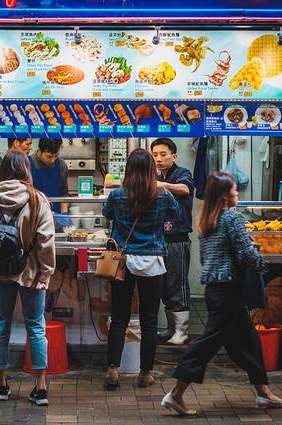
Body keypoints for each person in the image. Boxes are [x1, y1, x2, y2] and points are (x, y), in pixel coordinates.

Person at [161, 172, 282, 416]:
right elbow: (245, 254)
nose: (237, 193)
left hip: (216, 289)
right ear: (224, 195)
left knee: (249, 342)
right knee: (206, 344)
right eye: (234, 189)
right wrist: (263, 264)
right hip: (229, 290)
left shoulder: (207, 220)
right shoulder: (232, 218)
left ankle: (264, 394)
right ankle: (175, 394)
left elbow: (206, 257)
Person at [102, 149, 181, 390]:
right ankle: (145, 373)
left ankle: (113, 369)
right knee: (148, 320)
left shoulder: (116, 194)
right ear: (150, 170)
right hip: (152, 261)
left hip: (123, 261)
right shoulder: (162, 194)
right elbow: (176, 213)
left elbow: (106, 215)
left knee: (119, 318)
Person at [0, 150, 56, 406]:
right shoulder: (37, 199)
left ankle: (1, 385)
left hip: (0, 269)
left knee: (0, 327)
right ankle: (41, 388)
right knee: (35, 327)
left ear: (4, 170)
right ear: (26, 169)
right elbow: (46, 241)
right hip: (31, 271)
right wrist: (46, 272)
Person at [151, 138, 195, 345]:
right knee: (163, 287)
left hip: (177, 238)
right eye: (155, 155)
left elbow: (185, 190)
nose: (158, 159)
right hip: (159, 239)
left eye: (163, 154)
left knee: (178, 284)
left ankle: (182, 331)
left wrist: (162, 185)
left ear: (173, 156)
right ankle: (171, 328)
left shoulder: (182, 173)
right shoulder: (156, 175)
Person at [29, 138, 69, 214]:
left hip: (56, 217)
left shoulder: (61, 165)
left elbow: (63, 194)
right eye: (49, 156)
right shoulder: (27, 165)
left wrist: (64, 215)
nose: (53, 160)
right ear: (39, 150)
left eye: (56, 156)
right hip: (34, 217)